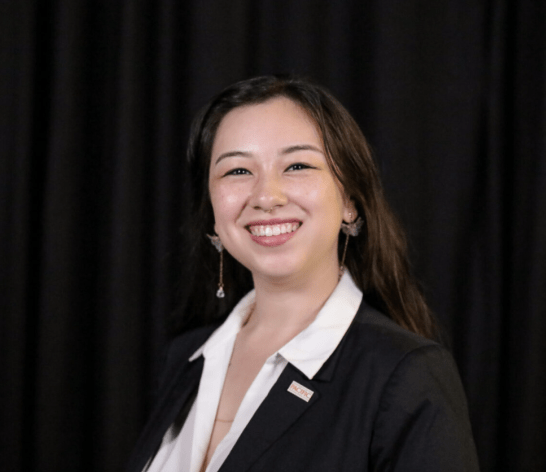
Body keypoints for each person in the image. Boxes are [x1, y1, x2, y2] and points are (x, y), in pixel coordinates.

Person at [126, 75, 479, 471]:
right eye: (238, 171)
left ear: (350, 201)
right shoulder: (185, 359)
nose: (266, 196)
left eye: (297, 165)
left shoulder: (407, 376)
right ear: (210, 214)